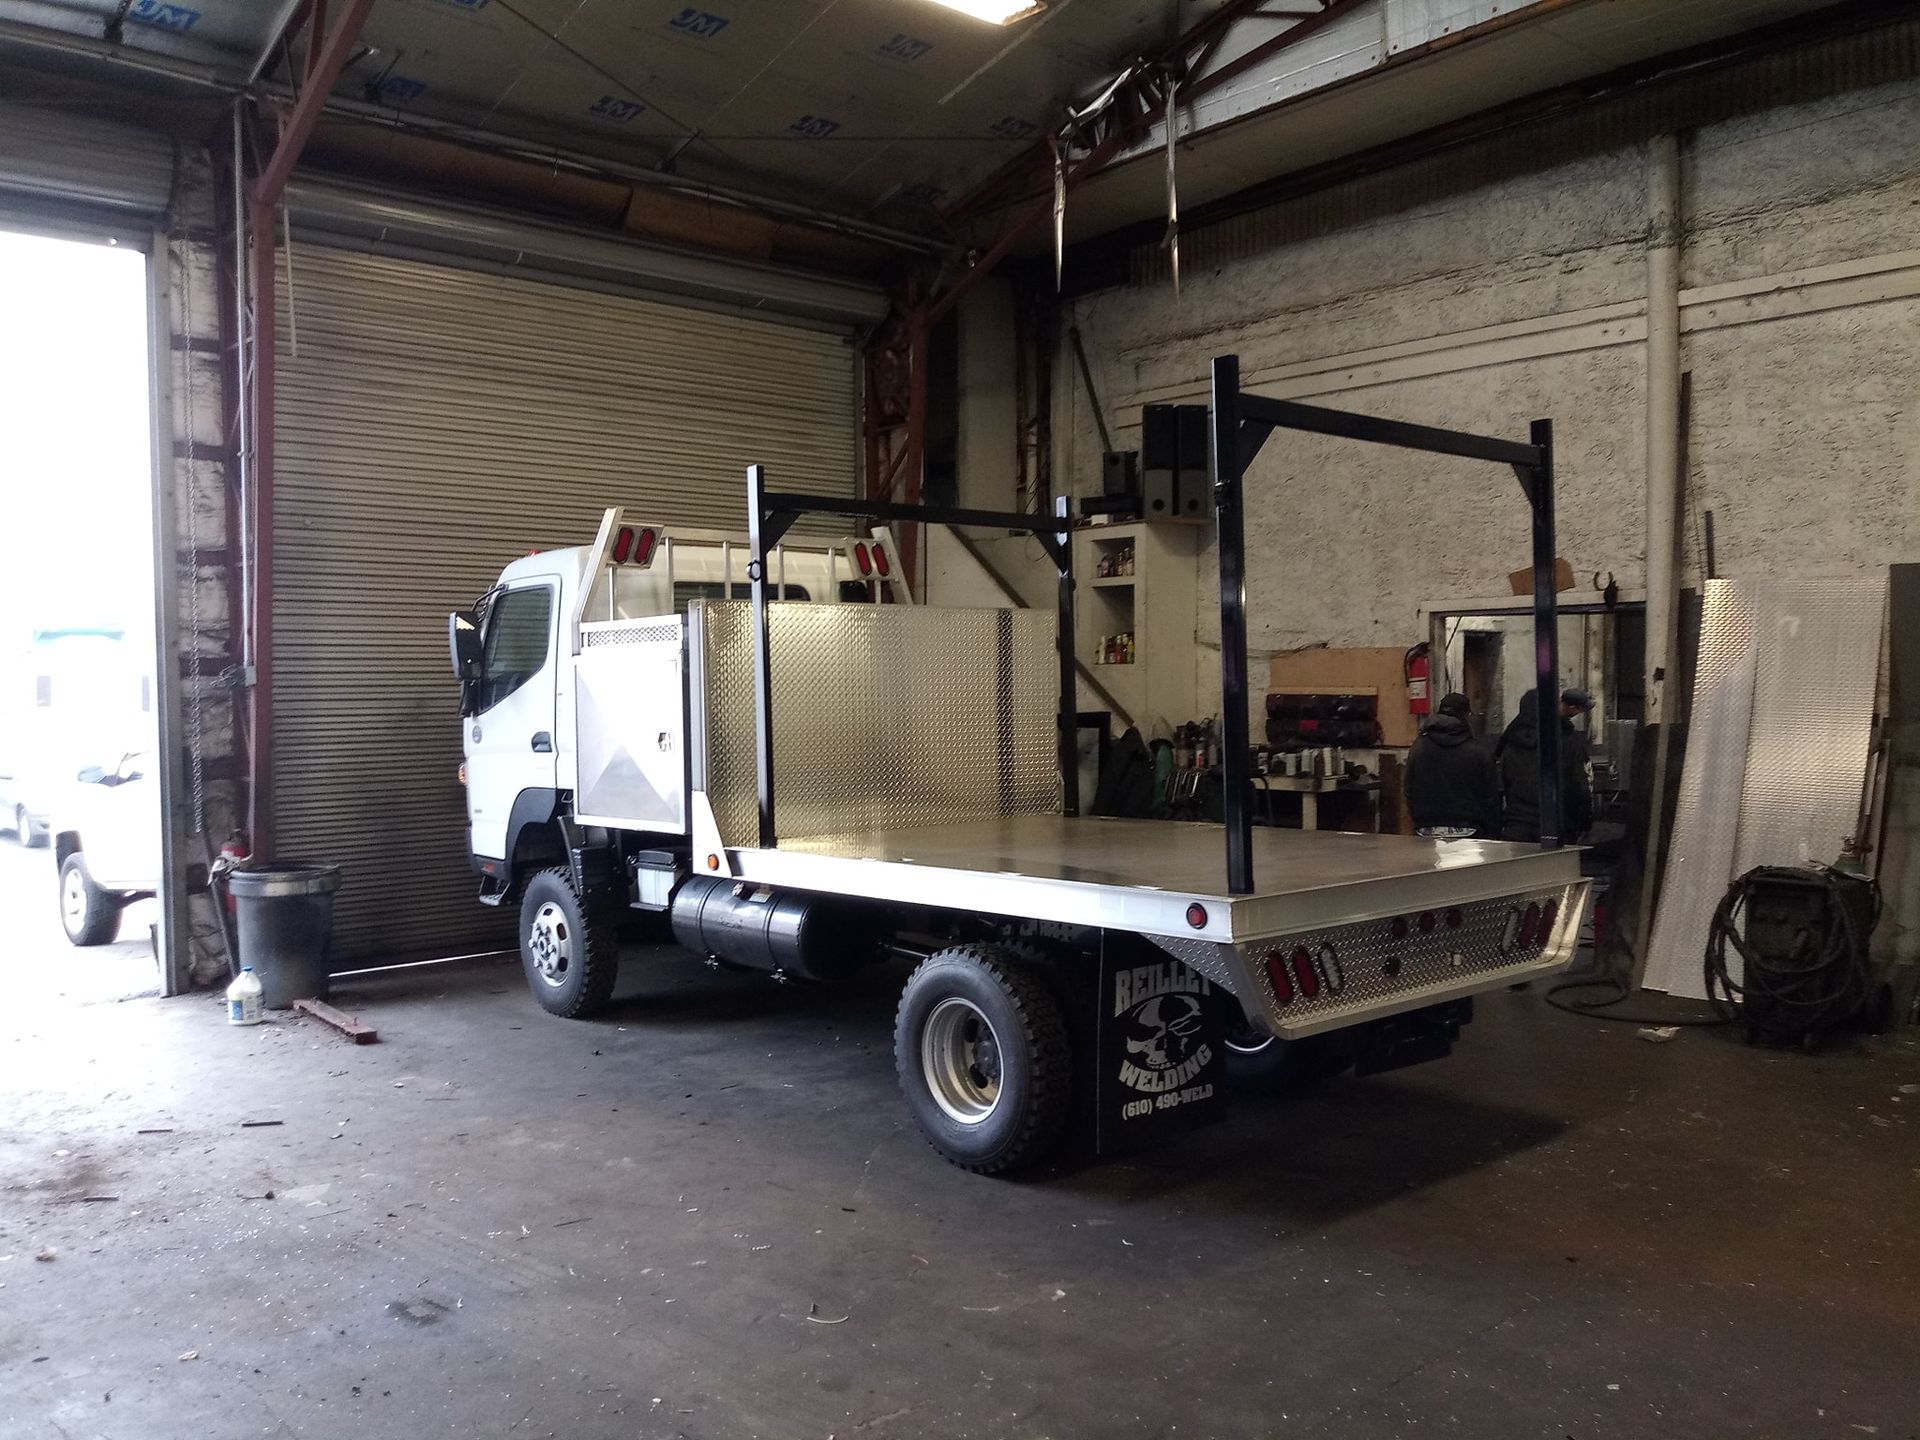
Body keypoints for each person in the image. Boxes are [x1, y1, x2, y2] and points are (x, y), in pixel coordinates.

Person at [1496, 687, 1594, 842]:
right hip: (1558, 824)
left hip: (1517, 826)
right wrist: (1584, 823)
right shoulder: (1570, 741)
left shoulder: (1510, 742)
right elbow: (1581, 787)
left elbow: (1502, 785)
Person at [1405, 692, 1500, 838]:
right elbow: (1492, 796)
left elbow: (1408, 789)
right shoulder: (1478, 751)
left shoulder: (1419, 747)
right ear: (1466, 715)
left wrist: (1419, 819)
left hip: (1426, 830)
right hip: (1469, 830)